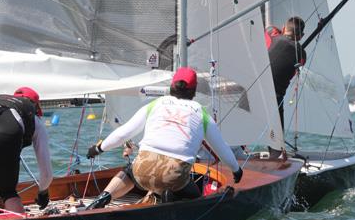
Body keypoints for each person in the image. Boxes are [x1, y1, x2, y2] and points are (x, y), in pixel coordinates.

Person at [86, 67, 243, 209]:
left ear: (171, 87)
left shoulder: (155, 104)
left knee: (129, 173)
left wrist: (98, 148)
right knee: (194, 197)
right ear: (194, 91)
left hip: (143, 170)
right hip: (174, 177)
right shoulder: (201, 113)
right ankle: (169, 197)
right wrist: (236, 170)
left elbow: (123, 133)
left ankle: (105, 196)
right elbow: (221, 149)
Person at [267, 16, 306, 128]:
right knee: (278, 142)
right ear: (301, 36)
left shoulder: (271, 35)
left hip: (254, 91)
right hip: (275, 98)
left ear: (284, 28)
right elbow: (294, 71)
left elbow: (270, 29)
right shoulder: (302, 55)